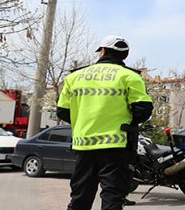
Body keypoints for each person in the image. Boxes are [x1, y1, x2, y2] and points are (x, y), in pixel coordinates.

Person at [57, 35, 153, 210]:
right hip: (116, 147)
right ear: (124, 55)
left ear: (102, 52)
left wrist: (84, 120)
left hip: (83, 146)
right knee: (112, 198)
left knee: (80, 198)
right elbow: (143, 109)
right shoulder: (130, 77)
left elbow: (62, 111)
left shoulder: (75, 77)